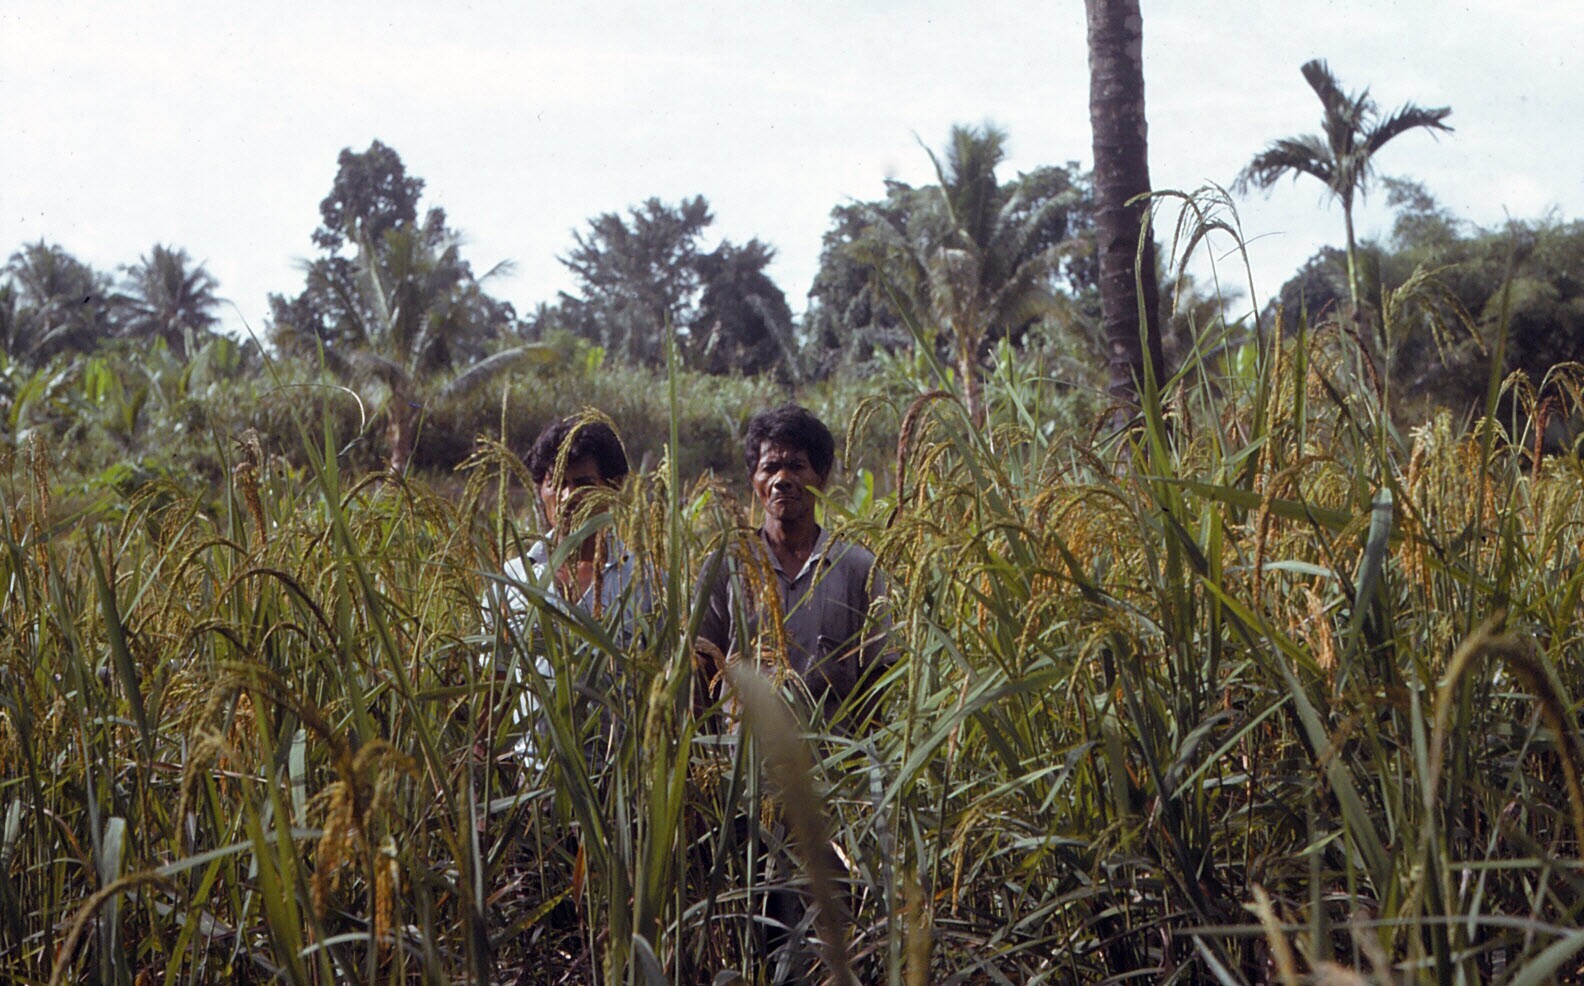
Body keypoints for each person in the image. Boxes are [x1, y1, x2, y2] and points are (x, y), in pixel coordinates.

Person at [695, 404, 891, 726]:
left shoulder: (858, 569)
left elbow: (877, 678)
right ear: (754, 480)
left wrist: (862, 754)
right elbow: (700, 668)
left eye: (796, 466)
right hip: (745, 755)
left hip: (831, 754)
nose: (782, 480)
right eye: (770, 468)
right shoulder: (725, 567)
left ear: (821, 478)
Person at [481, 415, 647, 765]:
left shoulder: (643, 581)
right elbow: (495, 692)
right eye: (556, 483)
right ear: (540, 490)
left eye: (583, 483)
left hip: (617, 776)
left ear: (613, 487)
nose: (569, 497)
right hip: (533, 778)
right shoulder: (513, 581)